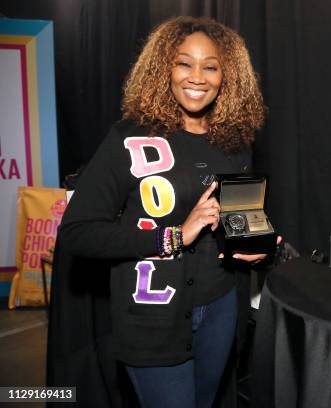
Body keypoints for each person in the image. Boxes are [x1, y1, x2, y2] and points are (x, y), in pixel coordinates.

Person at [48, 16, 275, 408]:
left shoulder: (236, 143)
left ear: (228, 76)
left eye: (211, 66)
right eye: (184, 62)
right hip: (151, 319)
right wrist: (172, 235)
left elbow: (231, 217)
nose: (197, 77)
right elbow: (77, 233)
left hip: (220, 308)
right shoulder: (129, 137)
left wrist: (258, 242)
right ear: (163, 69)